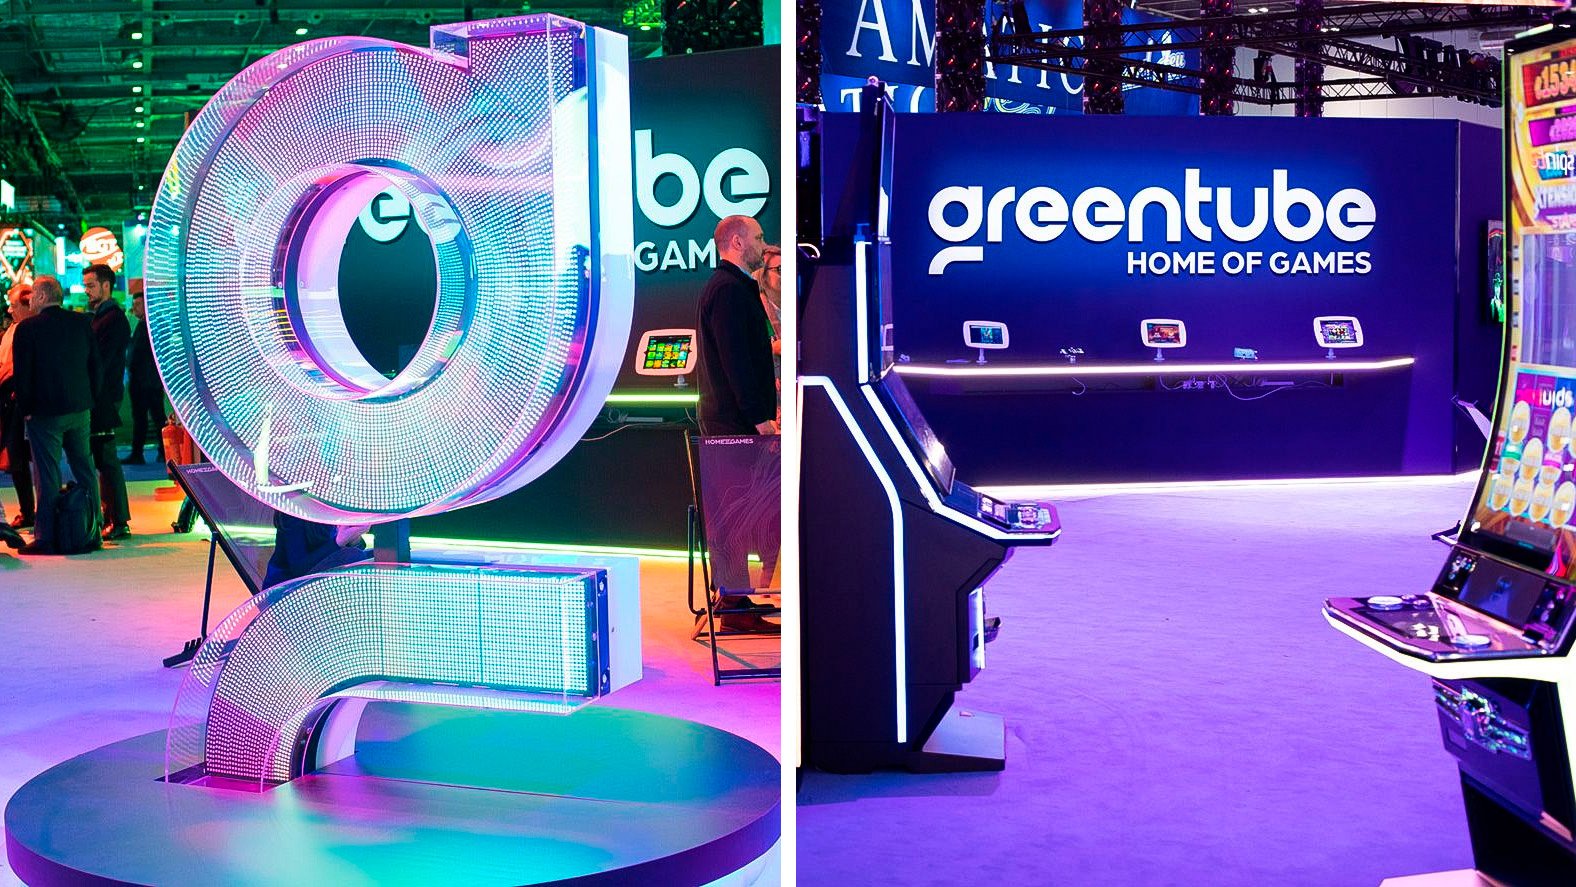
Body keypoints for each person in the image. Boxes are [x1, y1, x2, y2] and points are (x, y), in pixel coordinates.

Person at [12, 275, 100, 555]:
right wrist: (90, 399)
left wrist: (25, 410)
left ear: (40, 297)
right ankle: (92, 529)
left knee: (47, 473)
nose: (30, 302)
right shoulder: (81, 323)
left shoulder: (27, 329)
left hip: (44, 412)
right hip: (79, 408)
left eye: (32, 296)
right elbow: (94, 366)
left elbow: (23, 374)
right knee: (85, 468)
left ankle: (46, 536)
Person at [695, 215, 778, 437]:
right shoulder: (728, 289)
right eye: (759, 238)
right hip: (735, 426)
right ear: (738, 242)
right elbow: (736, 361)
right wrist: (759, 419)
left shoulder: (732, 286)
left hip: (737, 421)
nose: (765, 246)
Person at [85, 264, 131, 540]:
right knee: (103, 459)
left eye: (91, 286)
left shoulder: (112, 319)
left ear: (106, 285)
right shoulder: (104, 317)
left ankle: (119, 519)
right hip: (103, 395)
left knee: (106, 458)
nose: (87, 291)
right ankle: (114, 517)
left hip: (104, 397)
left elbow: (100, 362)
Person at [0, 283, 36, 528]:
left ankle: (34, 511)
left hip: (23, 401)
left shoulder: (30, 329)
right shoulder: (13, 329)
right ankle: (28, 511)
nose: (10, 310)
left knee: (27, 459)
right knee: (17, 459)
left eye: (13, 305)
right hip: (10, 401)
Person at [125, 292, 165, 465]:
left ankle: (139, 452)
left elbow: (136, 354)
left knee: (144, 417)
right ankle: (161, 451)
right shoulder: (153, 324)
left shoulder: (145, 326)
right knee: (156, 417)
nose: (134, 308)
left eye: (138, 304)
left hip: (144, 380)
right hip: (151, 380)